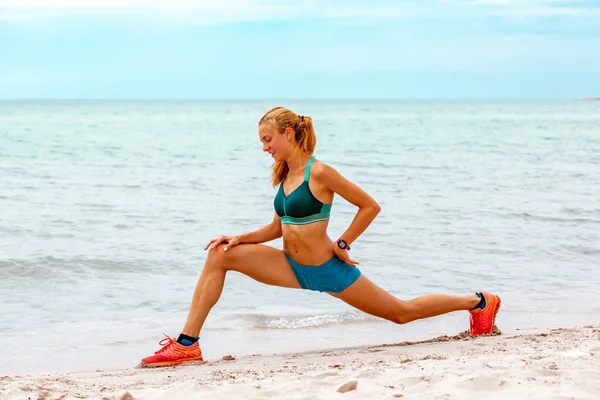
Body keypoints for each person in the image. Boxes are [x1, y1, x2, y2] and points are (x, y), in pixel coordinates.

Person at [139, 106, 501, 368]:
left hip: (327, 269)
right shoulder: (284, 177)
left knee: (401, 313)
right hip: (292, 267)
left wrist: (343, 244)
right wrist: (238, 237)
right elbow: (277, 228)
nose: (265, 147)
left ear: (288, 133)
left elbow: (369, 206)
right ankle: (187, 344)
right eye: (261, 142)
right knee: (219, 255)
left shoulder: (320, 172)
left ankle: (479, 301)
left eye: (268, 139)